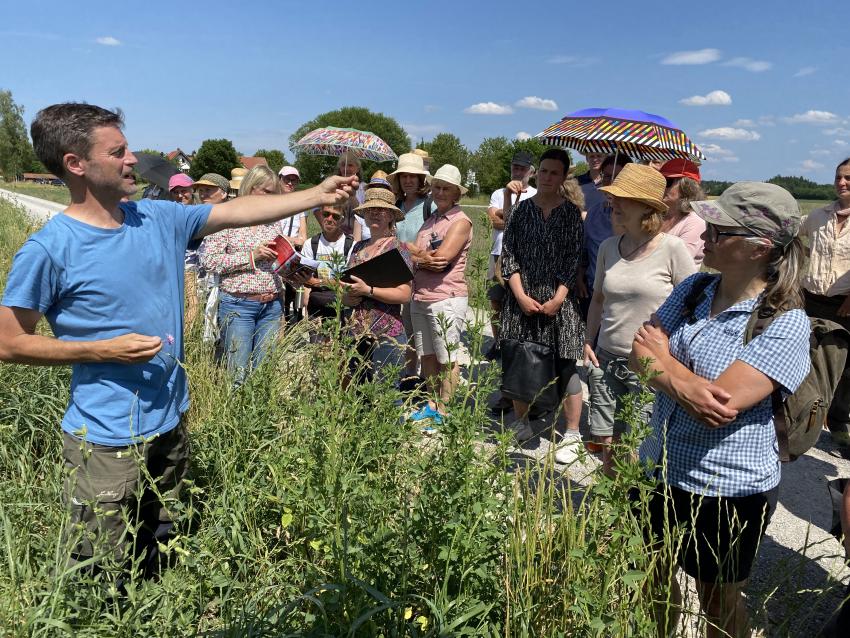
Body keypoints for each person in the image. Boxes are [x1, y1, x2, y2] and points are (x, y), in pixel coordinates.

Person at [0, 103, 357, 575]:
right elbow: (8, 342)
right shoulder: (51, 248)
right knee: (97, 568)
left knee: (161, 544)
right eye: (119, 151)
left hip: (169, 419)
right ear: (75, 164)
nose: (133, 159)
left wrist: (316, 194)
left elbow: (240, 210)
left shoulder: (157, 218)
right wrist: (97, 350)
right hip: (106, 439)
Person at [631, 182, 810, 638]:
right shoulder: (695, 288)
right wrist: (686, 383)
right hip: (659, 467)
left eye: (720, 228)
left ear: (758, 248)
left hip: (727, 487)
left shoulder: (785, 322)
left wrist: (666, 364)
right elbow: (639, 351)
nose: (705, 234)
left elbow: (718, 406)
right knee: (650, 577)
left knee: (717, 597)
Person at [586, 163, 695, 476]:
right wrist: (588, 341)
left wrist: (670, 353)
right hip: (606, 357)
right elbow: (598, 300)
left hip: (647, 365)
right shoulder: (609, 247)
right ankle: (610, 504)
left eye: (623, 199)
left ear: (647, 208)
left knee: (637, 440)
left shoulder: (672, 249)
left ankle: (631, 508)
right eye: (613, 197)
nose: (613, 203)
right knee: (607, 439)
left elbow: (693, 305)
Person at [498, 148, 585, 462]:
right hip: (522, 297)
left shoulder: (571, 213)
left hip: (559, 299)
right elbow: (510, 256)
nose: (548, 177)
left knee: (566, 365)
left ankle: (572, 432)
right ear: (536, 173)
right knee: (521, 361)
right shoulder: (522, 210)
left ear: (563, 177)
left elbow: (572, 258)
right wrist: (520, 296)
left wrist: (558, 299)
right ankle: (521, 422)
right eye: (544, 171)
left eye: (554, 173)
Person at [201, 165, 293, 385]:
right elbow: (208, 260)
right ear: (252, 188)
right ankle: (235, 418)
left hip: (271, 304)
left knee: (263, 375)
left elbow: (277, 259)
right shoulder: (227, 217)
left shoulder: (273, 221)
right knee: (238, 375)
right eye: (267, 192)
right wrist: (251, 256)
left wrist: (290, 265)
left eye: (274, 194)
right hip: (238, 305)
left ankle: (260, 418)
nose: (272, 198)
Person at [407, 164, 473, 425]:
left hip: (446, 296)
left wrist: (416, 257)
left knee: (447, 358)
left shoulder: (461, 221)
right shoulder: (430, 220)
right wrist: (422, 257)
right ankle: (431, 403)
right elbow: (418, 255)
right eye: (437, 187)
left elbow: (442, 260)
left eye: (446, 188)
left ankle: (444, 410)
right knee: (427, 356)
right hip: (421, 295)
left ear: (457, 193)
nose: (441, 192)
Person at [800, 158, 850, 451]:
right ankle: (802, 416)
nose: (842, 183)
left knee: (844, 366)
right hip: (811, 299)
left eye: (848, 178)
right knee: (806, 358)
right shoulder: (818, 215)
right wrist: (806, 255)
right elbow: (791, 237)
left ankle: (840, 421)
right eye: (838, 177)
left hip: (845, 304)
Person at [341, 188, 413, 384]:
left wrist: (369, 291)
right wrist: (346, 296)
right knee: (356, 392)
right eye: (370, 209)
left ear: (391, 215)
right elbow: (347, 288)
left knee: (386, 396)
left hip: (386, 333)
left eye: (381, 210)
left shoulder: (398, 248)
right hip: (355, 330)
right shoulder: (358, 247)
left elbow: (405, 294)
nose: (374, 213)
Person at [485, 150, 537, 363]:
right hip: (498, 253)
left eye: (522, 168)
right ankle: (498, 343)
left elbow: (516, 223)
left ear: (531, 172)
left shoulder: (535, 194)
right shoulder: (499, 192)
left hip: (523, 257)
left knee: (517, 302)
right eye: (515, 167)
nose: (518, 171)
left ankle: (516, 343)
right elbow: (493, 220)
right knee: (496, 301)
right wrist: (509, 219)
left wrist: (505, 217)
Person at [388, 152, 433, 390]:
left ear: (420, 179)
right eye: (403, 176)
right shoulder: (396, 206)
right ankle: (408, 373)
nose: (408, 180)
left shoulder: (429, 205)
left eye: (413, 176)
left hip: (423, 274)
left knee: (421, 329)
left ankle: (425, 377)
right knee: (405, 327)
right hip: (400, 274)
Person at [577, 155, 633, 319]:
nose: (611, 181)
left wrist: (617, 208)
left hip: (623, 295)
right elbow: (585, 248)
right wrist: (580, 276)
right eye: (607, 176)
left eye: (618, 176)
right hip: (593, 291)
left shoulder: (636, 216)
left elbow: (625, 248)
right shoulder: (594, 212)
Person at [301, 205, 354, 320]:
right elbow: (306, 280)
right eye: (326, 214)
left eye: (335, 216)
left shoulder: (351, 246)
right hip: (316, 305)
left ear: (342, 220)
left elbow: (349, 283)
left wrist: (316, 282)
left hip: (342, 305)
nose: (329, 219)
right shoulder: (310, 244)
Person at [659, 159, 707, 265]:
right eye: (660, 181)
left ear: (686, 188)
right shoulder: (656, 215)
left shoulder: (695, 223)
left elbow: (676, 262)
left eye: (667, 181)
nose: (661, 186)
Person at [277, 166, 308, 322]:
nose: (290, 183)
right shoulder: (270, 202)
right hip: (275, 256)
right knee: (278, 298)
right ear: (279, 179)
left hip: (291, 257)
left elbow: (303, 238)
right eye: (287, 179)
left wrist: (285, 239)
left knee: (294, 297)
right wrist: (293, 239)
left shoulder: (299, 207)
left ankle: (292, 326)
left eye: (294, 180)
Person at [337, 151, 369, 241]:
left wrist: (352, 196)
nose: (346, 168)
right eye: (343, 165)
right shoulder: (335, 186)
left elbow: (364, 214)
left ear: (357, 169)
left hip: (359, 236)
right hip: (337, 236)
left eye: (350, 165)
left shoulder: (364, 188)